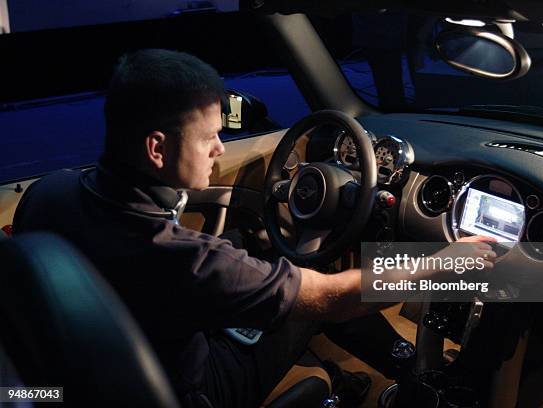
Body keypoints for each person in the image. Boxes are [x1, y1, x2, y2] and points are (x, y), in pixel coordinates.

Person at [13, 49, 496, 407]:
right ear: (157, 149)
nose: (221, 149)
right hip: (194, 390)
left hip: (79, 378)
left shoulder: (47, 192)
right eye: (209, 138)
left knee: (271, 260)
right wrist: (445, 263)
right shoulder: (187, 259)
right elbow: (336, 296)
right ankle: (410, 367)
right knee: (313, 297)